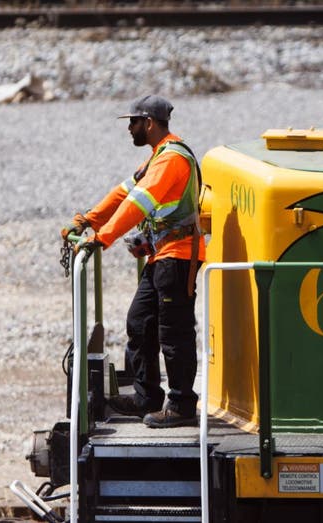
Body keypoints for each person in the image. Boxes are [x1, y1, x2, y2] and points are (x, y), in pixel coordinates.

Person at [60, 94, 205, 428]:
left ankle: (182, 406)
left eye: (133, 122)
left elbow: (138, 204)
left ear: (149, 123)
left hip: (178, 258)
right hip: (161, 257)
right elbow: (123, 193)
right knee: (140, 323)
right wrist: (86, 221)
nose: (129, 129)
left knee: (174, 333)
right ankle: (146, 397)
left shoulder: (171, 160)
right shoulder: (157, 158)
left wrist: (103, 237)